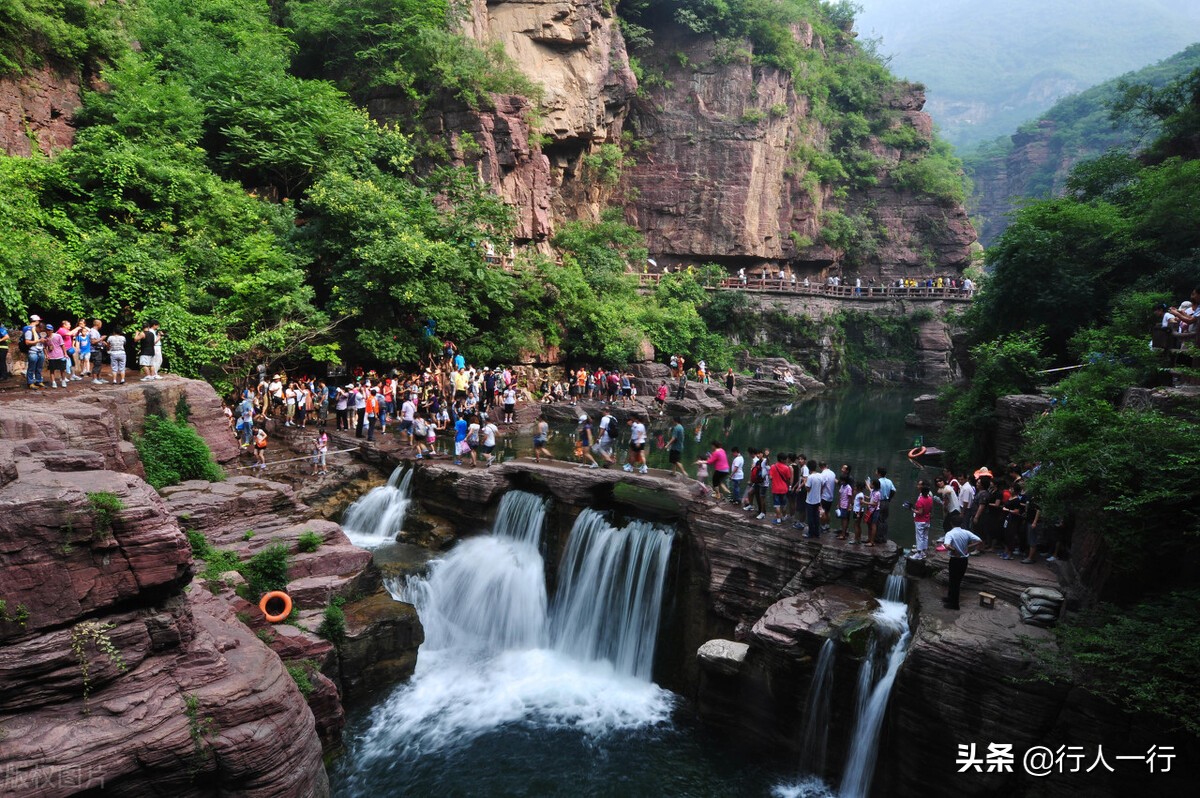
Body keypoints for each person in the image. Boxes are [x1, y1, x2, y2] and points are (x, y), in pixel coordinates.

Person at [941, 526, 984, 610]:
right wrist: (969, 547)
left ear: (951, 523)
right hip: (964, 560)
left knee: (955, 582)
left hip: (955, 560)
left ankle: (954, 605)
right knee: (954, 581)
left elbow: (947, 545)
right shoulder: (966, 532)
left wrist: (954, 550)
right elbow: (979, 541)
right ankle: (950, 598)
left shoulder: (950, 533)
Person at [909, 480, 934, 559]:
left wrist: (912, 509)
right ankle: (923, 552)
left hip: (920, 521)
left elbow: (920, 512)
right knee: (925, 536)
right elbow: (930, 509)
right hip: (927, 520)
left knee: (919, 537)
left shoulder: (920, 500)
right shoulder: (930, 499)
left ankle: (918, 553)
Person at [768, 453, 792, 525]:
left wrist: (774, 480)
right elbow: (788, 479)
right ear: (782, 460)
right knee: (783, 504)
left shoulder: (773, 466)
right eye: (785, 459)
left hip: (775, 489)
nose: (786, 460)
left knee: (777, 505)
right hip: (784, 489)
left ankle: (778, 520)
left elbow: (770, 477)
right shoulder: (786, 468)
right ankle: (784, 517)